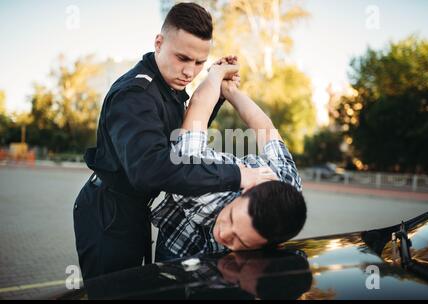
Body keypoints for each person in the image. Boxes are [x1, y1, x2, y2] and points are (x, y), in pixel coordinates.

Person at [73, 2, 273, 280]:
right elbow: (152, 170)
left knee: (137, 286)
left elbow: (181, 135)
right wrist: (237, 174)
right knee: (114, 291)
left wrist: (216, 87)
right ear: (159, 42)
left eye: (199, 62)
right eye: (182, 58)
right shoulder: (135, 94)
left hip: (133, 209)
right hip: (107, 214)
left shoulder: (166, 85)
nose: (190, 72)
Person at [152, 60, 307, 262]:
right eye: (231, 217)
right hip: (181, 245)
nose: (224, 234)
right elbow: (198, 110)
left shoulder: (287, 185)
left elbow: (265, 129)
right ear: (245, 190)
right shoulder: (201, 184)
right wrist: (218, 79)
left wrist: (225, 87)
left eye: (240, 240)